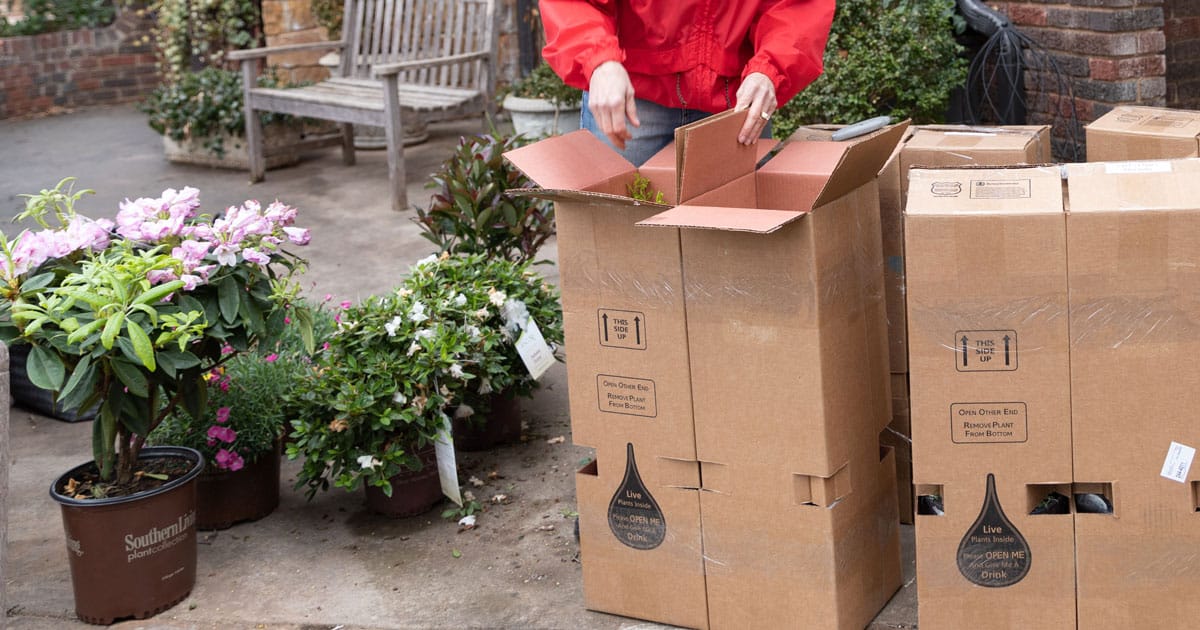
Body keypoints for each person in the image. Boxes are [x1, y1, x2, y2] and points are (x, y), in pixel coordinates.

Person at [540, 0, 836, 166]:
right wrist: (599, 61)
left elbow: (798, 8)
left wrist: (771, 68)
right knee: (618, 243)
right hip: (633, 97)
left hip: (736, 102)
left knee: (737, 252)